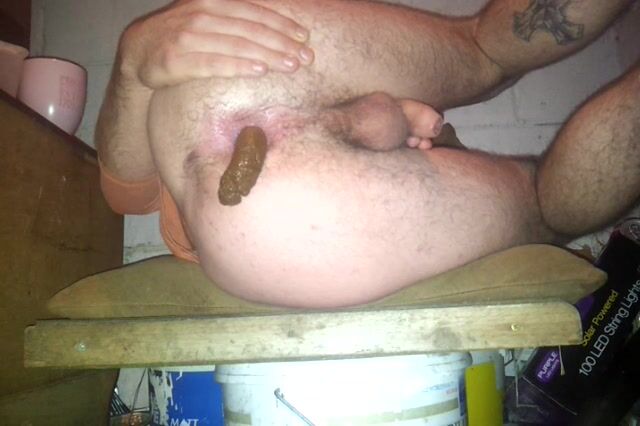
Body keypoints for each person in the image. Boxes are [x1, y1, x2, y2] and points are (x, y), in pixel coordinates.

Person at [96, 0, 638, 308]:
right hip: (244, 60)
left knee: (542, 203)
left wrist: (134, 59)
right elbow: (126, 194)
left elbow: (126, 194)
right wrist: (135, 55)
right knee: (484, 50)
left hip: (272, 217)